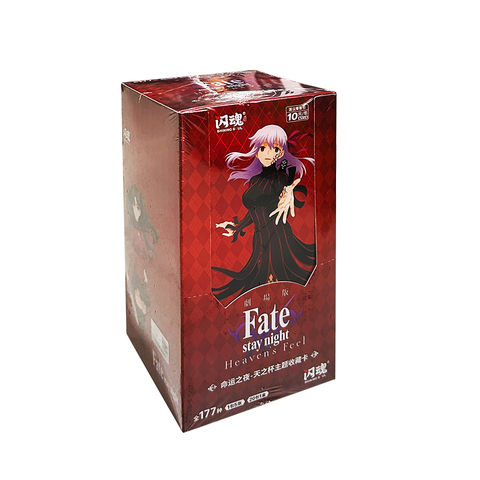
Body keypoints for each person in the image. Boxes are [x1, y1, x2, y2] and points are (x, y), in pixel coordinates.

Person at [212, 124, 316, 302]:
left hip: (277, 236)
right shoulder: (255, 180)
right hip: (259, 238)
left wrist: (290, 189)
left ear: (280, 153)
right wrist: (237, 227)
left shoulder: (281, 177)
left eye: (275, 148)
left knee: (278, 281)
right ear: (256, 151)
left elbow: (289, 183)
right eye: (262, 148)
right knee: (257, 284)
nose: (268, 153)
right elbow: (254, 210)